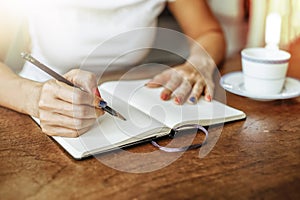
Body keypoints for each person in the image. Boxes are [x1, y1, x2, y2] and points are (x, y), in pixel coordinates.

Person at [0, 0, 226, 137]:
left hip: (126, 95)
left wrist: (198, 64)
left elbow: (208, 33)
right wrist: (32, 97)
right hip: (32, 105)